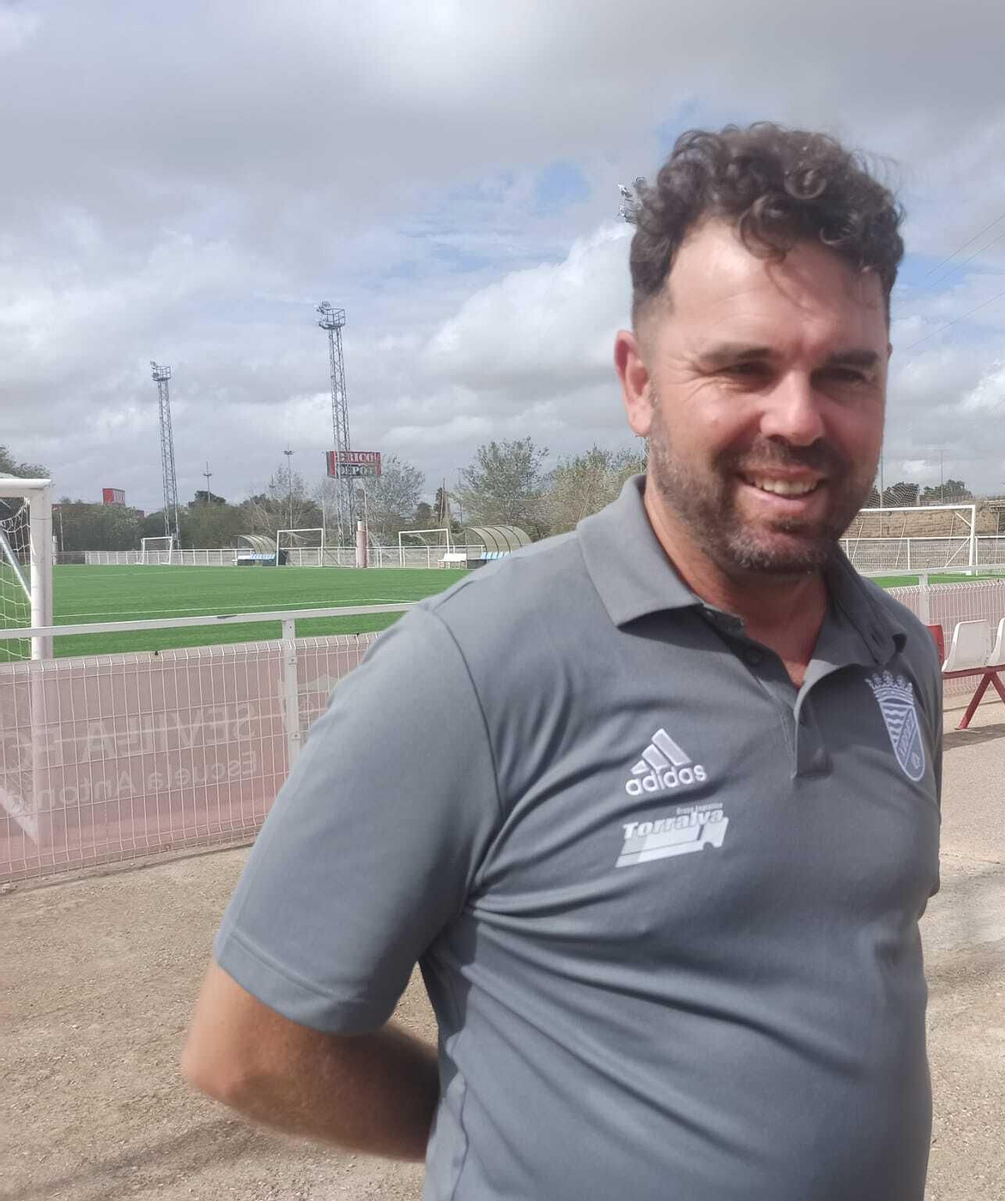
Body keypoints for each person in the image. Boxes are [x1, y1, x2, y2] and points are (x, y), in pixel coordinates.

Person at [182, 123, 943, 1201]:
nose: (799, 418)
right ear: (639, 384)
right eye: (742, 365)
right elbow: (249, 1050)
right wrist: (497, 1137)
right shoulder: (473, 667)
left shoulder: (897, 657)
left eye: (846, 373)